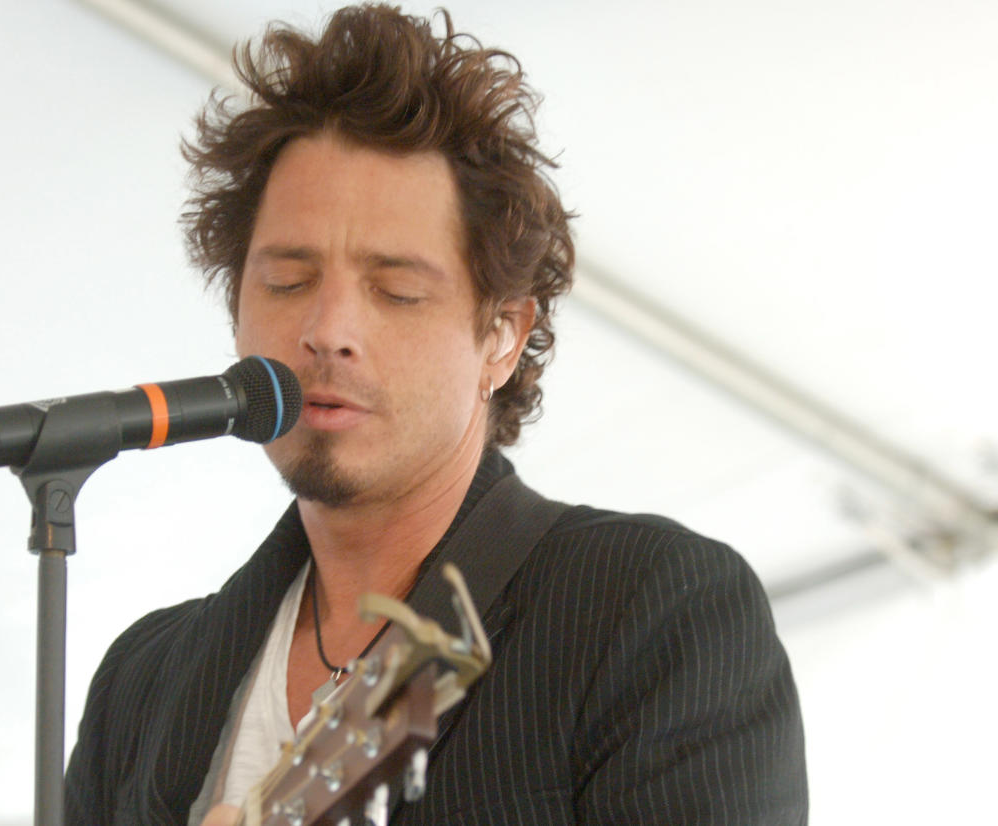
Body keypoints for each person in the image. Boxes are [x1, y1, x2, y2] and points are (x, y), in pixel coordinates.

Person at [65, 5, 808, 824]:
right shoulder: (143, 681)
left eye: (396, 290)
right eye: (286, 281)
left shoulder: (649, 610)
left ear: (502, 336)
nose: (327, 332)